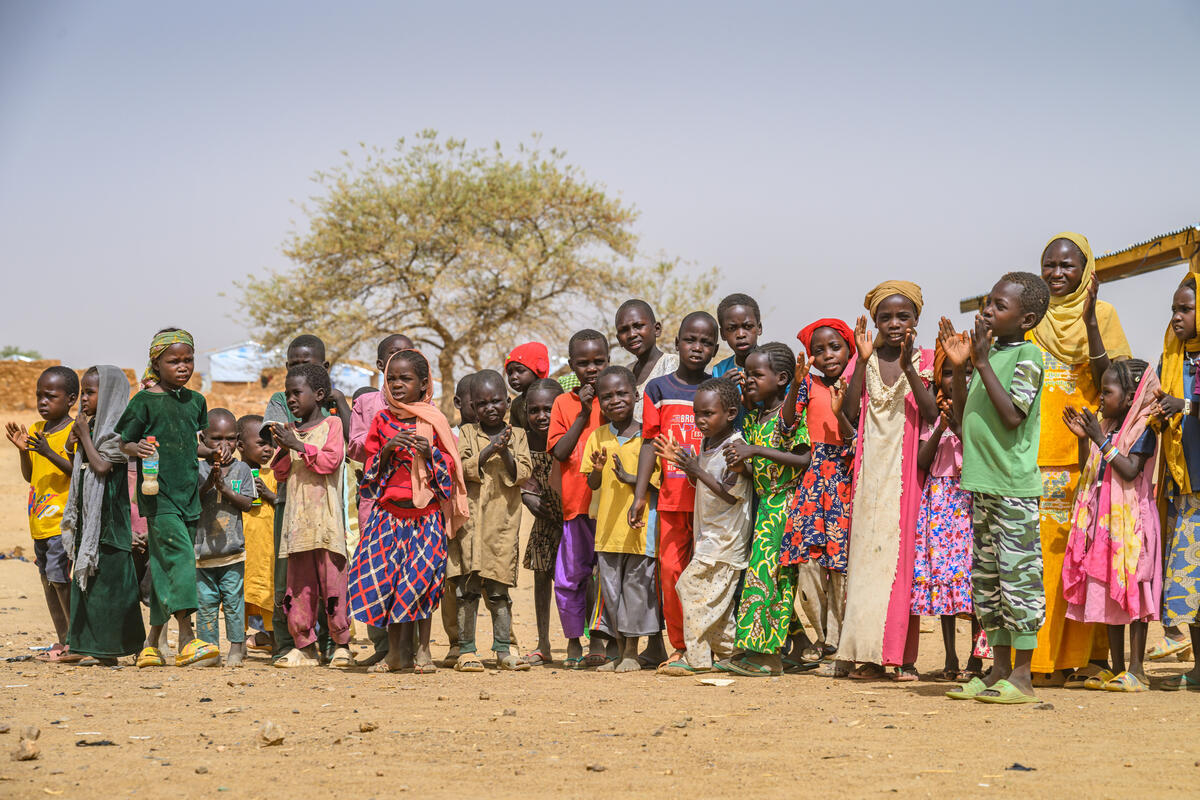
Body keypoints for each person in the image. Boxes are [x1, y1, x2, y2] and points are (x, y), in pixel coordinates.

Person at [1027, 232, 1133, 687]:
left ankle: (1080, 659)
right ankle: (1041, 660)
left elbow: (1115, 380)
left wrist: (1090, 321)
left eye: (1067, 265)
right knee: (1043, 561)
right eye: (1049, 264)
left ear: (1086, 270)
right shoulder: (1031, 315)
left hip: (1088, 451)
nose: (1056, 273)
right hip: (1036, 451)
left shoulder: (1104, 315)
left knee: (1084, 557)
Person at [942, 271, 1050, 704]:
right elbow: (961, 417)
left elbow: (1012, 417)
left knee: (1019, 581)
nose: (987, 311)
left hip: (1012, 487)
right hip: (982, 482)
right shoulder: (986, 357)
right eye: (987, 303)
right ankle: (998, 670)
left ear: (1026, 319)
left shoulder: (1028, 357)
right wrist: (958, 367)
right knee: (988, 582)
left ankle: (1022, 678)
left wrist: (981, 362)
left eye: (998, 307)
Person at [838, 282, 937, 681]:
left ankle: (898, 656)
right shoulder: (863, 359)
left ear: (916, 320)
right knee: (864, 562)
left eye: (903, 317)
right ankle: (862, 652)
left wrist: (911, 367)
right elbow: (848, 413)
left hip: (907, 471)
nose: (894, 324)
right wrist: (861, 362)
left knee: (900, 563)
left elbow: (930, 414)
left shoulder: (928, 359)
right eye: (886, 318)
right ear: (875, 322)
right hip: (868, 474)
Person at [348, 349, 467, 674]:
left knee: (421, 582)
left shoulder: (434, 420)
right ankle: (396, 655)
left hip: (425, 517)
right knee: (388, 584)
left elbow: (451, 471)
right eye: (392, 378)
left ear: (423, 383)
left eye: (406, 378)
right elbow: (370, 474)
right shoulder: (382, 420)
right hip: (387, 518)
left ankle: (424, 651)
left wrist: (430, 455)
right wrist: (387, 450)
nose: (397, 384)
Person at [115, 328, 219, 668]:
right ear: (155, 363)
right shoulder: (143, 402)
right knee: (183, 559)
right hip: (156, 496)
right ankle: (188, 639)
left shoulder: (196, 402)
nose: (183, 366)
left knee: (163, 567)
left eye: (188, 359)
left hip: (189, 495)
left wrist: (214, 452)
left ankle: (150, 644)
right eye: (173, 361)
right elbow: (124, 443)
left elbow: (193, 443)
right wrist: (138, 447)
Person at [1061, 359, 1160, 692]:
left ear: (1131, 396)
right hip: (1106, 527)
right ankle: (1117, 668)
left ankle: (1137, 669)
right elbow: (1091, 467)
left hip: (1131, 525)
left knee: (1132, 591)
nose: (1101, 398)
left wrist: (1099, 440)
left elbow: (1130, 469)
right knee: (1111, 595)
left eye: (1108, 391)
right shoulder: (1105, 427)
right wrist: (1084, 438)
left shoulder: (1143, 428)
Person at [629, 312, 720, 666]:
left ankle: (709, 643)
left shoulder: (716, 390)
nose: (697, 348)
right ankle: (682, 646)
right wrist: (639, 495)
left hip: (711, 502)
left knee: (709, 573)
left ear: (715, 349)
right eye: (690, 340)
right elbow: (650, 444)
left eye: (706, 342)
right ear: (677, 342)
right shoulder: (658, 388)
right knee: (671, 572)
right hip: (671, 499)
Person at [717, 342, 810, 677]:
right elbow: (753, 465)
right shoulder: (756, 417)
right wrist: (740, 461)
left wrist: (754, 449)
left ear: (782, 378)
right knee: (764, 578)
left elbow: (803, 458)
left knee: (769, 580)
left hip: (784, 507)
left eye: (757, 375)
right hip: (765, 507)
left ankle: (767, 657)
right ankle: (782, 648)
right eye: (749, 375)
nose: (750, 381)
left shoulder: (790, 413)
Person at [658, 377, 752, 676]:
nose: (700, 420)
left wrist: (694, 468)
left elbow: (730, 493)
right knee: (716, 604)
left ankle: (697, 658)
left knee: (690, 586)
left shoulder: (735, 447)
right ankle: (731, 653)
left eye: (708, 413)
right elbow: (703, 480)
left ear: (731, 413)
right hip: (710, 536)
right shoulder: (708, 441)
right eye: (697, 413)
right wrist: (689, 467)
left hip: (726, 540)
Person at [263, 335, 345, 660]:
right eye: (288, 394)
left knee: (333, 585)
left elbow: (330, 461)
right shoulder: (292, 430)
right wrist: (286, 445)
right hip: (297, 524)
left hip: (326, 523)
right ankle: (303, 647)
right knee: (298, 588)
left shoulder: (333, 424)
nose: (291, 400)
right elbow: (280, 472)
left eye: (296, 394)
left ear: (319, 394)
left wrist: (297, 445)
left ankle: (341, 644)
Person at [784, 319, 856, 672]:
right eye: (819, 350)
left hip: (845, 478)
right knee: (809, 561)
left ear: (850, 349)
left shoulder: (858, 383)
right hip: (812, 480)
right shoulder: (806, 385)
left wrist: (842, 413)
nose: (828, 355)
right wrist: (796, 385)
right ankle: (824, 637)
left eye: (835, 347)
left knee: (840, 565)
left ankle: (840, 641)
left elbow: (856, 435)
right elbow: (786, 426)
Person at [61, 365, 144, 666]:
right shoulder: (92, 427)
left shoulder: (118, 432)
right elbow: (81, 466)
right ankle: (82, 644)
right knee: (87, 583)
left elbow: (103, 467)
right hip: (89, 519)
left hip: (111, 522)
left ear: (108, 395)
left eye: (90, 393)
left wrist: (83, 436)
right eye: (83, 393)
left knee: (111, 586)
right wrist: (76, 442)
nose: (84, 399)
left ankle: (110, 650)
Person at [453, 369, 533, 672]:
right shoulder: (467, 434)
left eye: (496, 401)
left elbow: (522, 474)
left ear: (508, 402)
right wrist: (489, 450)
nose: (490, 408)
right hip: (472, 526)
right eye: (482, 403)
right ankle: (467, 650)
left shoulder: (520, 436)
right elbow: (462, 468)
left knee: (500, 591)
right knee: (468, 588)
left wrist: (506, 452)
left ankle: (503, 649)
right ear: (473, 407)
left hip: (502, 526)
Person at [911, 342, 981, 682]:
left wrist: (958, 425)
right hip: (939, 501)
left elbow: (979, 455)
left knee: (972, 581)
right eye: (950, 373)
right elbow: (922, 462)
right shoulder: (933, 415)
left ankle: (976, 659)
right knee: (943, 581)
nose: (957, 379)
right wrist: (941, 425)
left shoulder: (979, 412)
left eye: (965, 372)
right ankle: (951, 658)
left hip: (968, 500)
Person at [583, 365, 660, 673]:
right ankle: (617, 651)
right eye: (607, 396)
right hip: (607, 531)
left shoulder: (649, 439)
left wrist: (631, 478)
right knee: (611, 593)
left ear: (635, 395)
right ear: (599, 401)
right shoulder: (597, 437)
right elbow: (592, 484)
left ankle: (631, 652)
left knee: (637, 591)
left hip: (640, 532)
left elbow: (657, 483)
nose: (615, 400)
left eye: (622, 393)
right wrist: (599, 470)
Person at [347, 333, 414, 664]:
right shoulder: (367, 404)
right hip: (375, 501)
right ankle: (382, 646)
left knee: (410, 571)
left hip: (414, 504)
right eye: (392, 356)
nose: (400, 361)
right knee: (377, 570)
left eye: (407, 355)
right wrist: (384, 436)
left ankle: (408, 647)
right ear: (379, 366)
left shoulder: (424, 405)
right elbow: (355, 447)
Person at [6, 366, 77, 662]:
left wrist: (49, 451)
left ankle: (78, 639)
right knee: (48, 581)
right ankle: (62, 640)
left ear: (71, 399)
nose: (43, 402)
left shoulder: (73, 431)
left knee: (60, 579)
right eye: (39, 396)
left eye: (51, 396)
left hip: (62, 522)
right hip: (39, 523)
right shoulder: (36, 429)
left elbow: (77, 474)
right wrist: (24, 451)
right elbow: (30, 476)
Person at [1149, 272, 1200, 690]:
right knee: (1193, 585)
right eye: (1174, 310)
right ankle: (1198, 670)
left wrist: (1183, 404)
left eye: (1185, 309)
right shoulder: (1175, 357)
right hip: (1183, 484)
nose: (1177, 318)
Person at [549, 329, 609, 668]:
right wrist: (584, 412)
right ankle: (573, 639)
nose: (592, 369)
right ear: (572, 365)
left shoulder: (617, 396)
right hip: (576, 506)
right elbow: (560, 451)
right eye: (584, 363)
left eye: (599, 361)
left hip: (612, 508)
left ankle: (600, 639)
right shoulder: (563, 403)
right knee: (570, 576)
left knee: (605, 577)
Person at [195, 408, 257, 667]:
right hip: (202, 554)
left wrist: (223, 488)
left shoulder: (242, 469)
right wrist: (209, 482)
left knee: (233, 603)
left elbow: (246, 504)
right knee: (205, 604)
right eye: (216, 439)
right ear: (203, 440)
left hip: (232, 552)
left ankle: (235, 648)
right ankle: (209, 650)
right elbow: (192, 499)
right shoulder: (196, 468)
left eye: (230, 438)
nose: (224, 445)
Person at [519, 378, 565, 666]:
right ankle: (543, 642)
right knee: (540, 575)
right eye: (534, 410)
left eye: (548, 409)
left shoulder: (569, 436)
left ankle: (587, 641)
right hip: (544, 517)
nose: (541, 416)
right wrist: (528, 498)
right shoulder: (523, 439)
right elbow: (521, 478)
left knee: (580, 580)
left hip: (573, 519)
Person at [237, 414, 277, 654]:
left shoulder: (272, 476)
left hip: (266, 550)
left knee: (268, 593)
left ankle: (274, 639)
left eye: (270, 443)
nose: (268, 449)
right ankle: (237, 642)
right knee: (239, 595)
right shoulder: (234, 474)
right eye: (261, 443)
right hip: (241, 548)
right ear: (241, 446)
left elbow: (282, 502)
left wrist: (270, 494)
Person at [614, 299, 678, 422]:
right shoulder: (626, 373)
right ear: (619, 340)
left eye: (638, 326)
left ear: (657, 329)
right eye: (624, 330)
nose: (632, 334)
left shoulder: (673, 365)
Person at [504, 342, 550, 430]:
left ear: (538, 370)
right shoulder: (516, 404)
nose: (513, 377)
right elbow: (515, 434)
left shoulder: (554, 397)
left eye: (520, 370)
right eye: (509, 373)